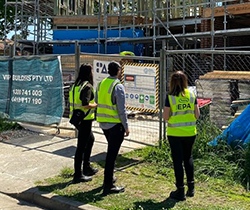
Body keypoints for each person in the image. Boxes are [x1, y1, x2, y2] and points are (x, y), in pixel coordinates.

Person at [163, 71, 200, 201]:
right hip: (190, 132)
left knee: (177, 161)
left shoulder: (170, 97)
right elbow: (197, 114)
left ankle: (180, 190)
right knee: (188, 158)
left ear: (171, 82)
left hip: (175, 133)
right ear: (185, 81)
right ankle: (191, 187)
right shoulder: (191, 94)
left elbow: (166, 117)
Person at [96, 61, 130, 195]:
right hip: (115, 125)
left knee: (111, 153)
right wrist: (126, 127)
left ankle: (109, 179)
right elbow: (122, 110)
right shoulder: (118, 86)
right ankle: (108, 184)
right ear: (117, 71)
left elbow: (98, 101)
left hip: (103, 123)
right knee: (112, 155)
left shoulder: (101, 84)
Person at [69, 64, 99, 184]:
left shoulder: (76, 86)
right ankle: (78, 174)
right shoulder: (87, 87)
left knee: (90, 140)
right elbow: (85, 104)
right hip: (85, 119)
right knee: (81, 147)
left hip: (77, 119)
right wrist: (96, 105)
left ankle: (86, 167)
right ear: (89, 73)